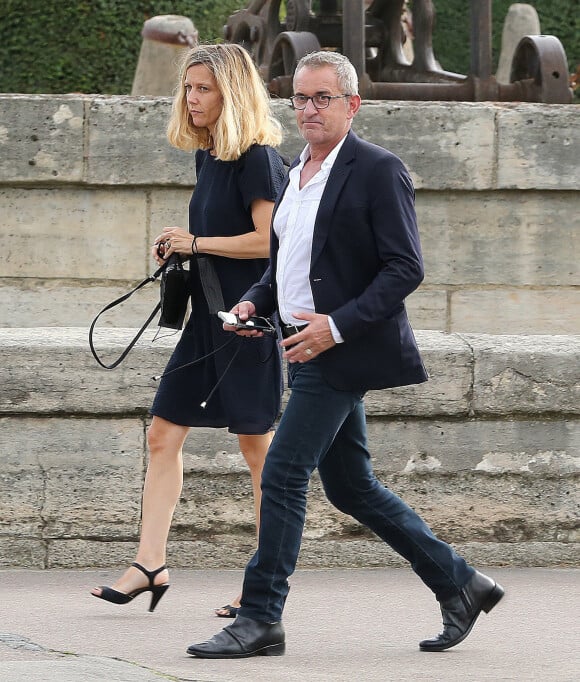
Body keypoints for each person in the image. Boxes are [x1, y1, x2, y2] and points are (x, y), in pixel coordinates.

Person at [186, 50, 504, 658]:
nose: (308, 109)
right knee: (352, 487)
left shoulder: (378, 170)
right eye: (300, 99)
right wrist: (255, 303)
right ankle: (461, 582)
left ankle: (260, 618)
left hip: (337, 350)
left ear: (352, 105)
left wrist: (337, 326)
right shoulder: (295, 171)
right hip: (300, 342)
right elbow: (287, 264)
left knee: (281, 473)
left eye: (322, 98)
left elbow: (405, 267)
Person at [91, 43, 286, 617]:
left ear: (232, 91)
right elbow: (218, 241)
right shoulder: (210, 157)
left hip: (246, 324)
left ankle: (263, 582)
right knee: (161, 435)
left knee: (258, 450)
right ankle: (149, 564)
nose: (191, 98)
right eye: (187, 87)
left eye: (202, 88)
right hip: (205, 322)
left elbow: (269, 242)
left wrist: (196, 243)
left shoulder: (258, 157)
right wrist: (181, 248)